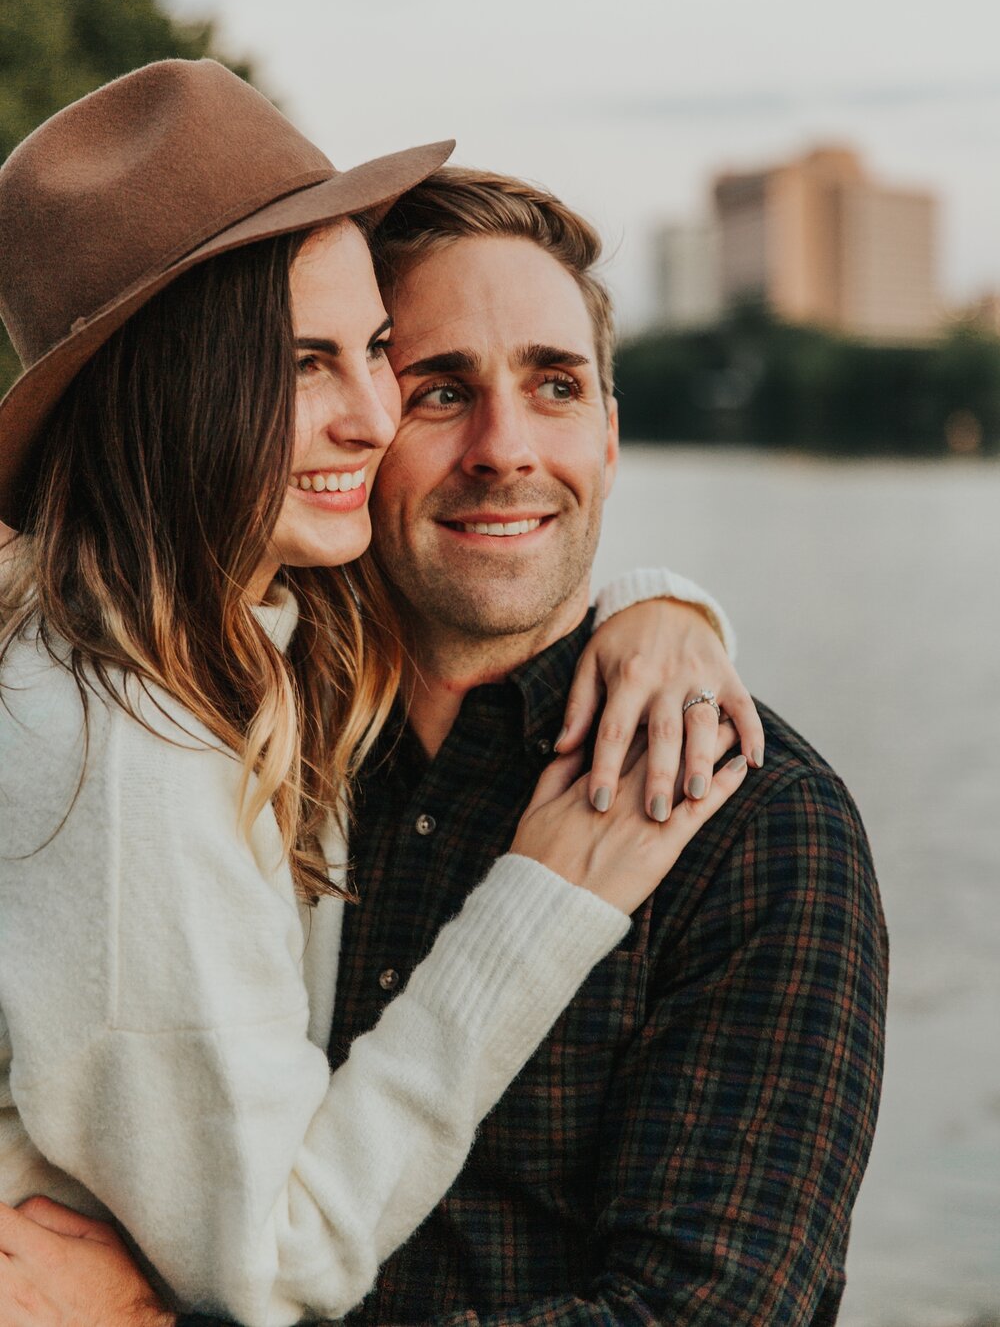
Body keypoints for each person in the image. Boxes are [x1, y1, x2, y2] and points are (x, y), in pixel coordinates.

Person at [0, 163, 887, 1326]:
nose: (505, 449)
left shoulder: (743, 815)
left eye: (556, 386)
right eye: (436, 389)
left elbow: (697, 1313)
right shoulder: (243, 727)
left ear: (611, 438)